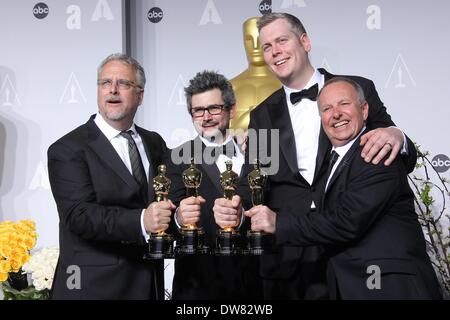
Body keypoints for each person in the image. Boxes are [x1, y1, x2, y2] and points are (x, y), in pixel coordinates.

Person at [213, 12, 417, 299]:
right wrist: (236, 207)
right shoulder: (261, 115)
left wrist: (399, 136)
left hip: (357, 253)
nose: (275, 52)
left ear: (305, 42)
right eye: (267, 47)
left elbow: (390, 152)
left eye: (282, 40)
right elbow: (255, 178)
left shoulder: (357, 89)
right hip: (290, 259)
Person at [245, 77, 442, 299]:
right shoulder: (333, 161)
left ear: (365, 109)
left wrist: (279, 223)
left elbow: (347, 221)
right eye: (327, 108)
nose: (335, 114)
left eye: (344, 104)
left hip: (388, 285)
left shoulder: (375, 152)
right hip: (347, 282)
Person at [47, 53, 174, 299]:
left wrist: (230, 144)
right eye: (105, 83)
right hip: (94, 288)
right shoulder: (67, 148)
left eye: (123, 83)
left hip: (149, 284)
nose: (113, 90)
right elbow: (79, 215)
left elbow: (178, 181)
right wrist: (141, 221)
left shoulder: (154, 142)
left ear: (140, 95)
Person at [164, 70, 262, 299]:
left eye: (214, 108)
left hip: (256, 287)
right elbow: (164, 223)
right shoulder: (175, 158)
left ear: (232, 109)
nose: (206, 117)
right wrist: (179, 217)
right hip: (198, 288)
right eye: (198, 110)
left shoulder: (259, 154)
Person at [229, 16, 281, 131]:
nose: (255, 46)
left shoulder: (286, 84)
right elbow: (220, 133)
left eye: (259, 39)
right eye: (249, 40)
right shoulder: (230, 87)